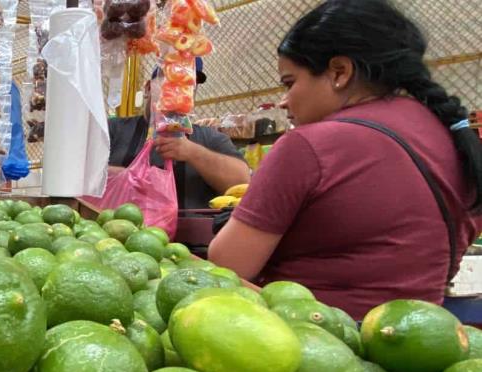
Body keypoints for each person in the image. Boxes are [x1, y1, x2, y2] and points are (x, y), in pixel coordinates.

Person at [208, 0, 482, 319]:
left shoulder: (308, 146)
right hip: (421, 343)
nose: (284, 101)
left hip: (319, 348)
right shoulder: (456, 140)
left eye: (290, 82)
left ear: (339, 72)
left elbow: (228, 265)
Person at [108, 58, 251, 209]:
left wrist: (191, 152)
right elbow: (85, 174)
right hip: (121, 228)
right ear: (148, 88)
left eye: (188, 85)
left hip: (190, 229)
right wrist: (128, 178)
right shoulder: (114, 129)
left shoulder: (210, 138)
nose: (178, 91)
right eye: (170, 81)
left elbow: (242, 184)